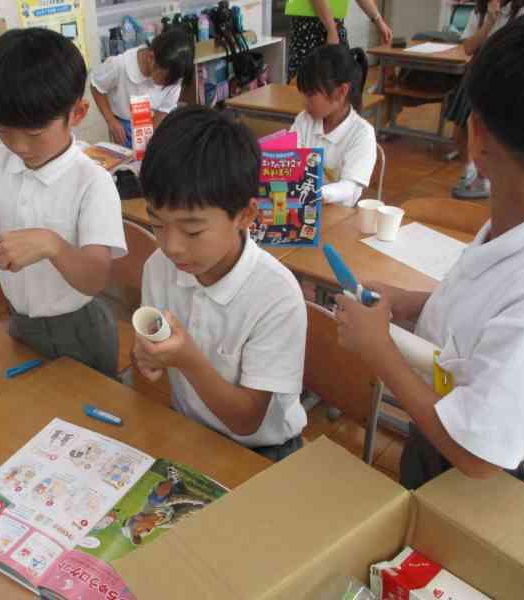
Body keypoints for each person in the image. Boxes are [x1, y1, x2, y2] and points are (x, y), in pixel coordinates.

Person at [335, 6, 524, 506]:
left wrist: (379, 351)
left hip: (501, 479)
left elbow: (477, 455)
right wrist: (414, 302)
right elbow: (490, 310)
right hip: (450, 421)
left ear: (476, 137)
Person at [0, 28, 127, 378]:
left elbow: (94, 279)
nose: (18, 146)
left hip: (79, 330)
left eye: (33, 133)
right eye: (4, 131)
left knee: (86, 406)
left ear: (77, 113)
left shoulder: (92, 183)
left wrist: (53, 246)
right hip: (19, 320)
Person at [132, 106, 308, 462]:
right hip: (191, 429)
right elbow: (150, 352)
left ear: (245, 215)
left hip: (264, 451)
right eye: (157, 224)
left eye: (193, 231)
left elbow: (247, 421)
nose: (171, 246)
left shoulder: (277, 296)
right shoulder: (159, 267)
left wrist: (188, 360)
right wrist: (147, 356)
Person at [447, 0, 524, 199]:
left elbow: (520, 49)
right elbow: (468, 47)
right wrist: (489, 21)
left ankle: (485, 178)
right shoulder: (481, 10)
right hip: (477, 74)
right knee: (460, 132)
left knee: (493, 134)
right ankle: (470, 171)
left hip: (507, 79)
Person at [291, 45, 376, 207]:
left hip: (340, 214)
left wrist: (316, 194)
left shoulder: (362, 133)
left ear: (341, 91)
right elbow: (290, 161)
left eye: (310, 95)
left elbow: (349, 188)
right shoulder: (304, 120)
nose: (304, 103)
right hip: (303, 209)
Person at [90, 28, 194, 148]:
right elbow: (96, 86)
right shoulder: (120, 65)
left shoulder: (174, 77)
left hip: (150, 123)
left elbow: (163, 112)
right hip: (123, 123)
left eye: (170, 83)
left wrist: (149, 140)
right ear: (151, 58)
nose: (165, 86)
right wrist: (111, 120)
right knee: (124, 157)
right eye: (163, 80)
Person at [285, 0, 392, 83]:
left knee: (338, 82)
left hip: (332, 25)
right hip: (310, 25)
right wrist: (331, 29)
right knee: (306, 85)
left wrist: (378, 20)